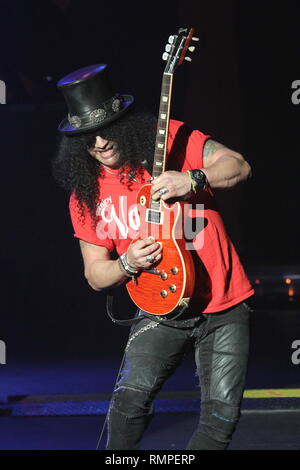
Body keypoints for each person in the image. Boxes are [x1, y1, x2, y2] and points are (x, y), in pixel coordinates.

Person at [53, 63, 254, 450]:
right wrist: (128, 263)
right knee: (128, 406)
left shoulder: (173, 139)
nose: (99, 143)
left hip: (224, 303)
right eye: (87, 137)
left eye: (105, 130)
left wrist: (191, 178)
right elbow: (95, 274)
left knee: (220, 420)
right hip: (160, 307)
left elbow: (239, 166)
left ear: (124, 122)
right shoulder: (86, 194)